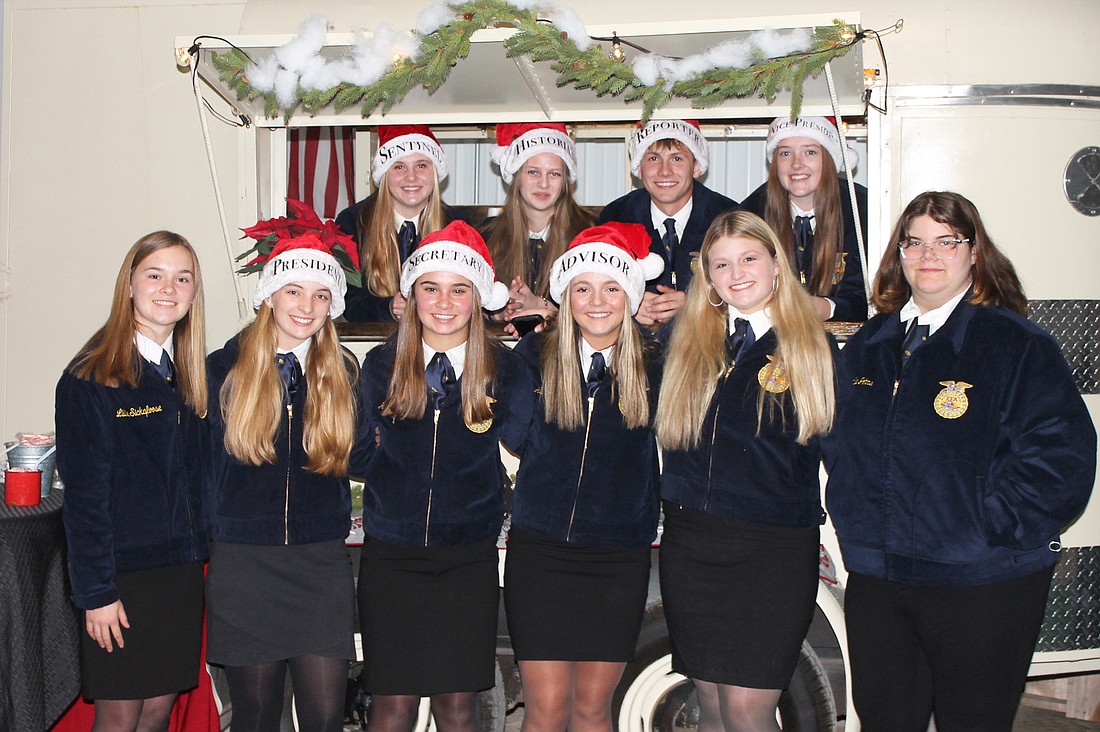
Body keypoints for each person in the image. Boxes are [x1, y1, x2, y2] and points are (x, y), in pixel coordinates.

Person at [824, 191, 1096, 732]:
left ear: (974, 253)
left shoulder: (1014, 343)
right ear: (898, 254)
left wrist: (989, 528)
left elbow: (1061, 457)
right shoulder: (870, 344)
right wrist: (854, 523)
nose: (930, 254)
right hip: (881, 576)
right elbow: (841, 444)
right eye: (916, 241)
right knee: (884, 721)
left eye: (947, 241)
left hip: (981, 582)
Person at [654, 210, 838, 732]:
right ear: (707, 278)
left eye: (749, 258)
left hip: (771, 552)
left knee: (748, 712)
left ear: (777, 264)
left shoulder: (812, 347)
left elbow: (846, 455)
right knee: (709, 703)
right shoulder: (684, 343)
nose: (736, 273)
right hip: (692, 545)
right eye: (721, 264)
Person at [353, 221, 534, 732]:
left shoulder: (505, 367)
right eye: (430, 288)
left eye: (459, 290)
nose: (444, 302)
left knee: (458, 705)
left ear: (478, 298)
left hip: (466, 557)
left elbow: (527, 442)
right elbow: (354, 452)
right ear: (412, 297)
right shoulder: (382, 363)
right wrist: (391, 477)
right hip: (391, 554)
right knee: (393, 705)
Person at [504, 223, 665, 732]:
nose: (597, 301)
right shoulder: (533, 355)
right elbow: (509, 436)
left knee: (593, 710)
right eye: (583, 288)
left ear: (631, 295)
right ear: (565, 297)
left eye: (612, 287)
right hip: (541, 551)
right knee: (546, 710)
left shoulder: (658, 362)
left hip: (618, 556)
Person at [205, 221, 362, 732]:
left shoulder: (345, 372)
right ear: (269, 294)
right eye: (293, 290)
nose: (305, 306)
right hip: (244, 566)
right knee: (255, 718)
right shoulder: (219, 370)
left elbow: (367, 460)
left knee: (324, 718)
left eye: (320, 295)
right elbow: (195, 469)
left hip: (320, 566)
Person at [57, 231, 209, 731]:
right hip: (121, 579)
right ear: (129, 285)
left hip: (179, 576)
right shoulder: (91, 376)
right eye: (155, 275)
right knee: (119, 717)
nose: (169, 288)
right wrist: (96, 593)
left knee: (158, 712)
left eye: (182, 278)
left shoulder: (187, 376)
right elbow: (84, 500)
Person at [598, 119, 739, 327]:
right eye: (653, 158)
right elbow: (594, 288)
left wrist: (697, 303)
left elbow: (751, 290)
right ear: (638, 168)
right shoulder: (615, 217)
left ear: (697, 166)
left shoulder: (727, 216)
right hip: (636, 349)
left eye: (677, 158)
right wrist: (627, 303)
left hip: (709, 345)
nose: (664, 171)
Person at [741, 116, 868, 322]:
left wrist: (827, 308)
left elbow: (875, 294)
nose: (796, 164)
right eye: (785, 153)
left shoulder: (861, 210)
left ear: (829, 159)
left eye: (810, 152)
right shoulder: (751, 213)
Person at [335, 124, 465, 322]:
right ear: (384, 174)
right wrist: (388, 307)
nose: (411, 177)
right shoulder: (353, 222)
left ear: (435, 172)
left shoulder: (457, 225)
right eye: (399, 166)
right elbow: (346, 300)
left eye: (421, 165)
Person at [483, 122, 594, 322]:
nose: (543, 184)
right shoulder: (487, 236)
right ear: (517, 176)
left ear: (565, 182)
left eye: (554, 174)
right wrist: (496, 311)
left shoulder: (590, 234)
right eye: (533, 172)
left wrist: (543, 306)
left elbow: (601, 309)